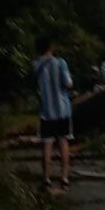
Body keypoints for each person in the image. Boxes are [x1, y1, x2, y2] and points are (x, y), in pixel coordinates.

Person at [32, 36, 73, 192]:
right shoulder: (61, 63)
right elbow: (68, 83)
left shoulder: (36, 65)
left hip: (46, 112)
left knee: (46, 146)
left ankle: (46, 179)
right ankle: (64, 178)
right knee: (63, 143)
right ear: (51, 47)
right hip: (62, 110)